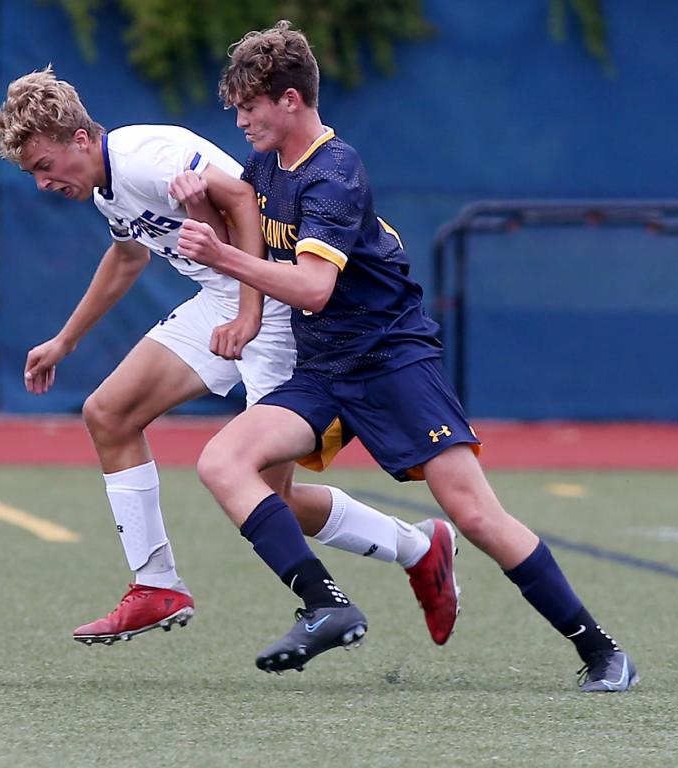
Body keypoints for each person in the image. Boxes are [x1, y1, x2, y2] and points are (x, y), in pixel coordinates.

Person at [176, 21, 637, 690]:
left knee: (476, 514)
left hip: (393, 361)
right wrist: (209, 217)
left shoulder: (335, 172)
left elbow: (312, 285)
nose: (241, 120)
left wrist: (220, 252)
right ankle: (325, 605)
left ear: (291, 101)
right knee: (222, 461)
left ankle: (601, 650)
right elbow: (254, 237)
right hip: (325, 371)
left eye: (250, 106)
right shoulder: (266, 168)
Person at [0, 67, 461, 651]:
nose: (42, 183)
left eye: (43, 167)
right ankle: (156, 585)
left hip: (271, 305)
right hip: (220, 300)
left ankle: (414, 550)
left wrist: (249, 313)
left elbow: (241, 199)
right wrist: (66, 340)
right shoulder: (108, 182)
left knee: (268, 495)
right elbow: (127, 257)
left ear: (79, 140)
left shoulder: (141, 157)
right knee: (108, 413)